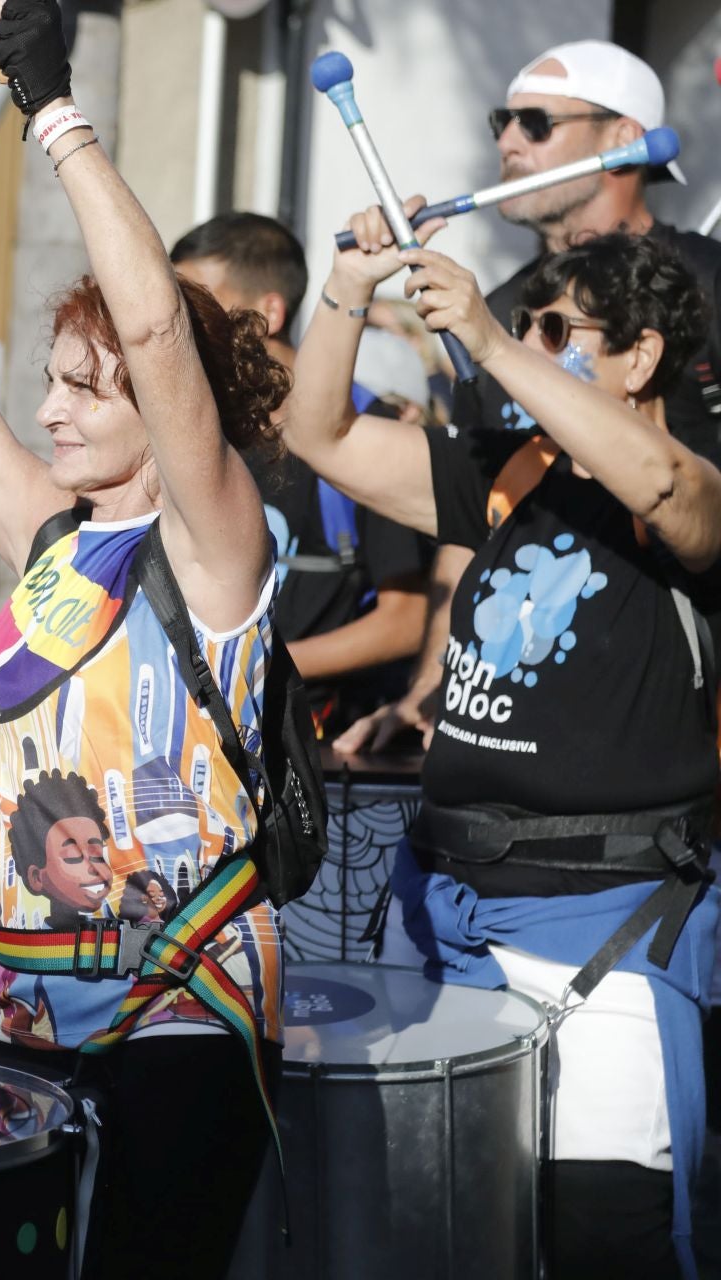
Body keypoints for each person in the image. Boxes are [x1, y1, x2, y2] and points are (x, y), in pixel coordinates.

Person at [0, 3, 289, 1270]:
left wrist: (54, 115)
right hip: (18, 998)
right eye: (52, 379)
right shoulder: (51, 534)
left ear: (166, 405)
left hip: (181, 1015)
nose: (50, 408)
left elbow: (156, 329)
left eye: (87, 388)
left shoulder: (213, 542)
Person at [285, 202, 720, 1275]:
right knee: (422, 1221)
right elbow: (320, 436)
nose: (527, 348)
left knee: (596, 1235)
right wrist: (349, 285)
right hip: (444, 908)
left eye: (558, 331)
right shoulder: (507, 469)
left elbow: (668, 488)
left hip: (607, 928)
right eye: (522, 326)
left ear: (642, 356)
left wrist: (484, 339)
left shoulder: (698, 465)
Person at [339, 38, 721, 758]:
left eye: (536, 123)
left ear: (623, 140)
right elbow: (477, 528)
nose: (509, 143)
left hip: (680, 716)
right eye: (501, 124)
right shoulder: (500, 311)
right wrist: (434, 691)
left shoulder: (707, 283)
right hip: (538, 716)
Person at [170, 213, 431, 735]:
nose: (179, 323)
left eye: (199, 304)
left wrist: (256, 665)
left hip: (318, 744)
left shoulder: (362, 430)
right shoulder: (191, 429)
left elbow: (406, 621)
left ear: (267, 313)